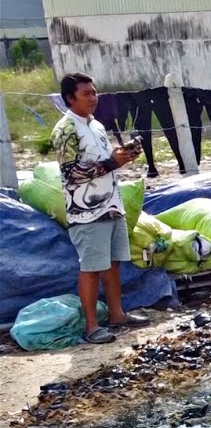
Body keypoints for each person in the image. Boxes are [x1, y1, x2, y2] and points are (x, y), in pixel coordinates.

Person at [51, 72, 151, 344]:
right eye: (87, 94)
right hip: (86, 210)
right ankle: (92, 326)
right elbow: (70, 173)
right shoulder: (65, 129)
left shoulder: (95, 125)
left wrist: (123, 156)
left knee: (113, 264)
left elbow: (105, 161)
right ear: (70, 98)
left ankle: (117, 314)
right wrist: (110, 164)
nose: (94, 98)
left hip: (110, 204)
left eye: (95, 92)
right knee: (91, 267)